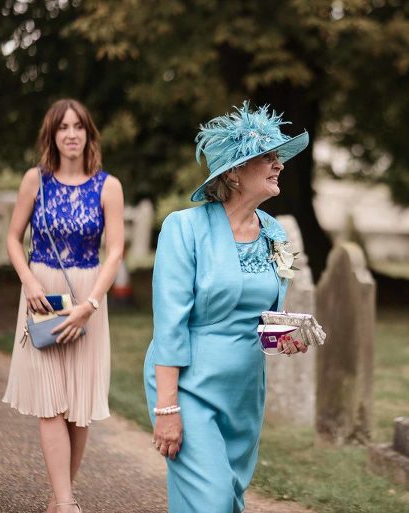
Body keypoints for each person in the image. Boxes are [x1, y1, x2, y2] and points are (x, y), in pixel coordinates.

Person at [144, 102, 310, 513]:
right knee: (213, 500)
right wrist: (167, 407)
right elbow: (169, 324)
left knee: (229, 499)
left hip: (244, 392)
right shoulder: (184, 229)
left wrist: (286, 334)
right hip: (189, 386)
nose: (279, 165)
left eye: (279, 157)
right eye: (268, 157)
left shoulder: (273, 230)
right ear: (234, 172)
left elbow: (263, 313)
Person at [2, 99, 124, 513]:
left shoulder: (108, 186)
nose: (71, 134)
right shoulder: (34, 181)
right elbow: (12, 239)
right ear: (51, 135)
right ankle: (68, 504)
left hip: (88, 297)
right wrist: (29, 279)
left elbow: (116, 252)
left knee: (78, 406)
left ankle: (58, 501)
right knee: (51, 401)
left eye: (78, 127)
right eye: (62, 127)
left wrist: (90, 304)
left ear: (89, 134)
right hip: (42, 295)